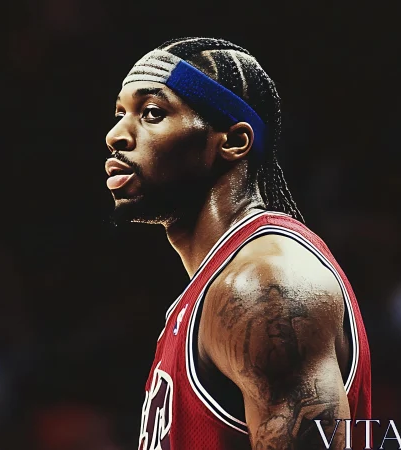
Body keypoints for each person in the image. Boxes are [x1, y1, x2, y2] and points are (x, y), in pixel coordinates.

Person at [104, 37, 371, 450]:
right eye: (120, 114)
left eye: (152, 113)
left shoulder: (263, 284)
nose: (116, 135)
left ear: (231, 142)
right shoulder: (216, 287)